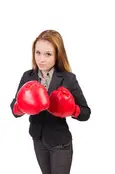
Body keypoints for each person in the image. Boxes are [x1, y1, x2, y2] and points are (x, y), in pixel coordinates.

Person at [10, 29, 92, 174]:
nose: (41, 59)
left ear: (57, 55)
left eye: (48, 54)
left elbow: (86, 113)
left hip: (60, 142)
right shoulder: (28, 76)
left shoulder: (68, 79)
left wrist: (72, 109)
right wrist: (22, 105)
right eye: (38, 53)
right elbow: (14, 110)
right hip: (38, 139)